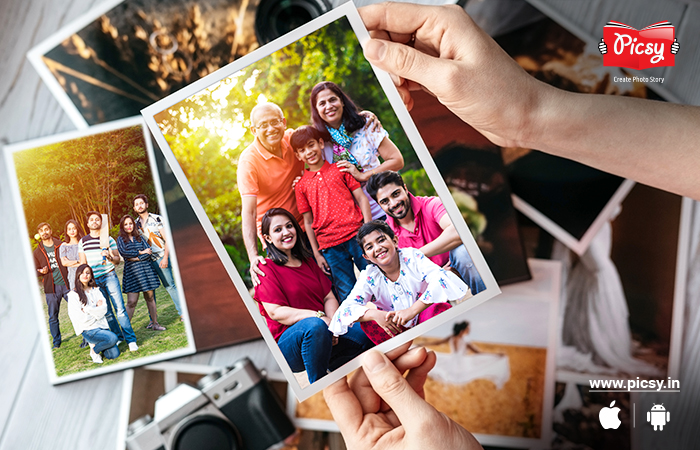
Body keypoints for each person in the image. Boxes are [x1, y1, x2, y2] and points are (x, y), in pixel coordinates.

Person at [324, 4, 700, 447]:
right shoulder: (373, 241)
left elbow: (446, 244)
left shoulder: (413, 201)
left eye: (394, 199)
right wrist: (528, 114)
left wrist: (529, 114)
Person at [253, 208, 373, 384]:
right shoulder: (265, 268)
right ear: (268, 238)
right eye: (278, 230)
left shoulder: (308, 261)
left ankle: (347, 370)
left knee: (366, 329)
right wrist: (319, 317)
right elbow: (275, 312)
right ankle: (320, 384)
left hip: (325, 330)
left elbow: (328, 297)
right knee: (315, 326)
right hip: (292, 344)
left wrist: (333, 323)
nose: (286, 232)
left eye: (289, 226)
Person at [328, 221, 469, 345]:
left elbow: (441, 278)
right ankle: (403, 351)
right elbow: (345, 309)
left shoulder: (412, 257)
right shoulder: (369, 276)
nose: (377, 248)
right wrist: (375, 314)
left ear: (395, 241)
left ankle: (439, 344)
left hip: (425, 315)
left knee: (437, 308)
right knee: (368, 322)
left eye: (381, 240)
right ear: (366, 257)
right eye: (369, 247)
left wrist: (412, 311)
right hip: (397, 328)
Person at [366, 170, 485, 295]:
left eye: (396, 194)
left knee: (463, 253)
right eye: (385, 201)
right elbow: (400, 273)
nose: (394, 203)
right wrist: (439, 275)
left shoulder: (431, 204)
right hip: (430, 281)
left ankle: (486, 300)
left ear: (405, 189)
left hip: (456, 265)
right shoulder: (387, 235)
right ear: (379, 205)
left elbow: (458, 230)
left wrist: (416, 254)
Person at [291, 125, 372, 302]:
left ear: (320, 143)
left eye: (311, 145)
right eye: (302, 150)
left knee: (375, 281)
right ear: (298, 156)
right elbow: (307, 221)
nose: (308, 152)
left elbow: (362, 198)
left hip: (357, 236)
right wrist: (317, 254)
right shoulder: (301, 185)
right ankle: (359, 330)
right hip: (330, 246)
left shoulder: (341, 169)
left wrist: (368, 229)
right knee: (347, 295)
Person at [310, 81, 404, 219]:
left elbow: (397, 161)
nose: (329, 106)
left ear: (342, 101)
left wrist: (364, 176)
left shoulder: (365, 124)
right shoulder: (319, 143)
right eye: (322, 103)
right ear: (316, 110)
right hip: (353, 221)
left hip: (386, 210)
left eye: (332, 100)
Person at [79, 211, 139, 351]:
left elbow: (117, 261)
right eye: (92, 220)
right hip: (94, 281)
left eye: (97, 220)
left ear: (101, 223)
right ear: (88, 224)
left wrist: (109, 256)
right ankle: (118, 337)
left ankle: (131, 340)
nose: (94, 222)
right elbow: (83, 263)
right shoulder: (83, 242)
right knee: (107, 312)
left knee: (120, 310)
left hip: (109, 275)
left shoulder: (108, 239)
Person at [133, 194, 182, 322]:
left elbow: (168, 240)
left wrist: (165, 257)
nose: (139, 205)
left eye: (141, 203)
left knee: (170, 286)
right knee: (150, 292)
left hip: (160, 257)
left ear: (146, 205)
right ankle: (153, 320)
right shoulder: (134, 224)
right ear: (134, 208)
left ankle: (182, 313)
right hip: (146, 262)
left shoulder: (157, 219)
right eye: (137, 204)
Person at [117, 214, 165, 331]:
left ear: (134, 225)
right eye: (126, 224)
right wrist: (140, 252)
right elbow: (124, 253)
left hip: (146, 271)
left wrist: (136, 258)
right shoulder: (120, 240)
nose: (129, 226)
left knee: (150, 298)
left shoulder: (140, 237)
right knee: (131, 302)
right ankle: (125, 331)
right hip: (132, 273)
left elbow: (148, 252)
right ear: (123, 226)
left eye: (130, 223)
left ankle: (155, 323)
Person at [427, 321, 510, 388]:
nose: (469, 330)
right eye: (468, 328)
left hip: (452, 359)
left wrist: (421, 344)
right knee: (461, 377)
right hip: (461, 361)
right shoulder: (465, 340)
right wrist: (496, 355)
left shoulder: (452, 337)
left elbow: (438, 343)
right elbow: (478, 352)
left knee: (452, 377)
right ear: (463, 330)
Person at [67, 264, 121, 364]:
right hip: (89, 330)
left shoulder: (96, 290)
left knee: (113, 355)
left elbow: (104, 309)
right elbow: (78, 316)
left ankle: (96, 345)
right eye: (82, 273)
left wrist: (87, 309)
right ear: (78, 275)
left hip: (102, 326)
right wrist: (96, 310)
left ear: (91, 275)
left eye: (88, 273)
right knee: (113, 338)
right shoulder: (73, 295)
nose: (85, 275)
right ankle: (94, 351)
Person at [33, 222, 70, 349]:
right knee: (53, 316)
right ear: (39, 234)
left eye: (46, 229)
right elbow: (33, 270)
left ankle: (86, 336)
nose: (44, 232)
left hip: (67, 285)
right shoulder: (37, 252)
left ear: (50, 230)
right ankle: (56, 342)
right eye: (41, 231)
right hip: (51, 289)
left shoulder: (61, 245)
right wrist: (40, 272)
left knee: (77, 310)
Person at [60, 219, 83, 291]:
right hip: (73, 277)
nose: (72, 231)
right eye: (69, 229)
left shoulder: (82, 243)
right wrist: (78, 262)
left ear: (77, 229)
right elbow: (64, 263)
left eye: (74, 228)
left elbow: (85, 262)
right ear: (66, 231)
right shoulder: (64, 246)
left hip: (85, 274)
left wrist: (70, 263)